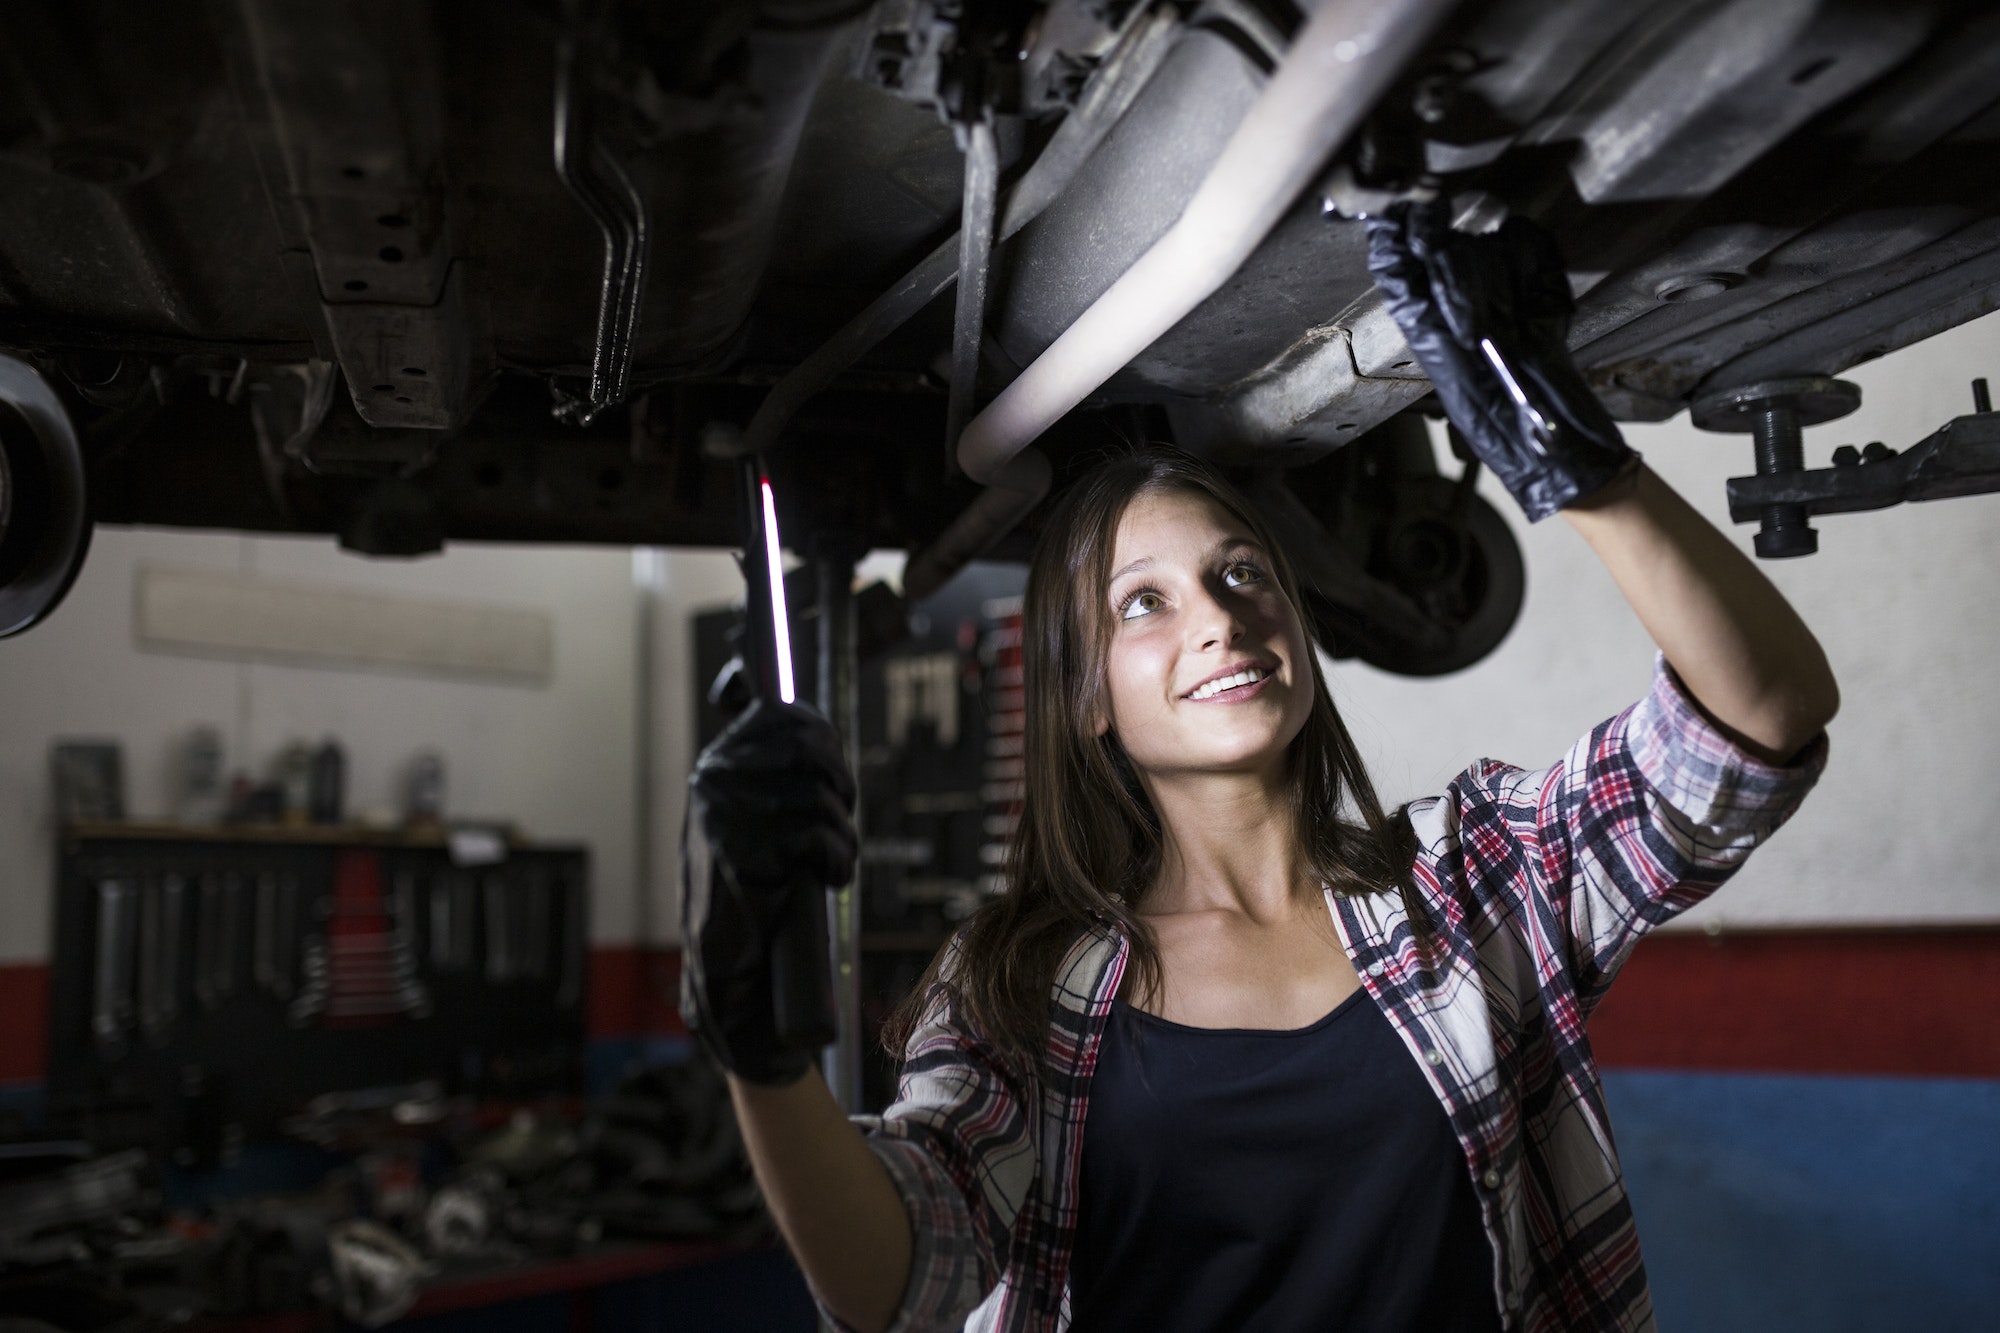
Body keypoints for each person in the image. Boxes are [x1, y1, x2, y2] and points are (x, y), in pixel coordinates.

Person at [679, 201, 1838, 1332]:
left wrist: (1578, 467)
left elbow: (1756, 720)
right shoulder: (1014, 990)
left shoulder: (1469, 881)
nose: (1218, 623)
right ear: (1086, 697)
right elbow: (898, 1278)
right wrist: (756, 1050)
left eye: (1241, 574)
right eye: (1145, 602)